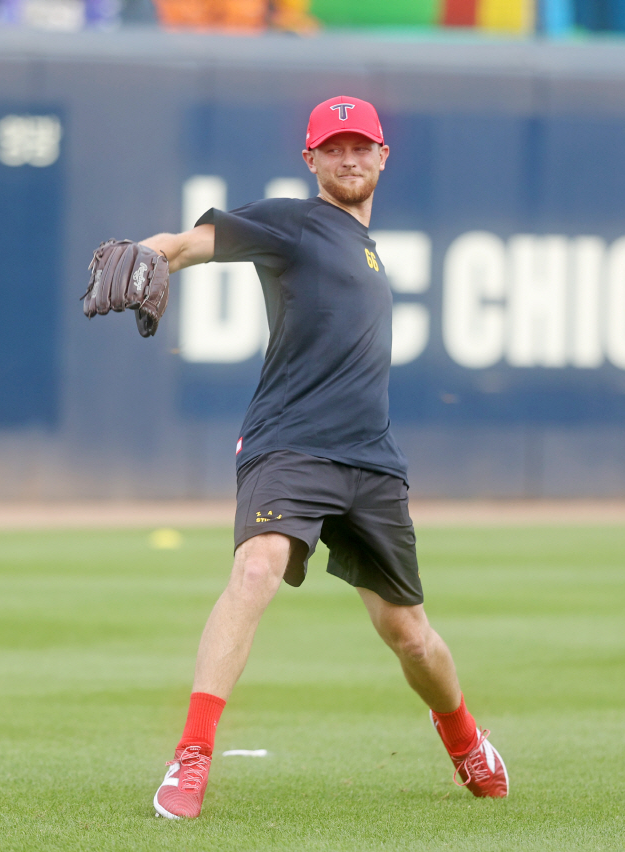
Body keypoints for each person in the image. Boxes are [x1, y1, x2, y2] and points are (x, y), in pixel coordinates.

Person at [140, 96, 509, 820]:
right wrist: (152, 255)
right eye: (333, 147)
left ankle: (465, 737)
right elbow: (187, 244)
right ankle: (191, 756)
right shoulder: (294, 221)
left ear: (382, 157)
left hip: (370, 459)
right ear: (310, 160)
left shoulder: (366, 250)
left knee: (410, 633)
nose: (348, 158)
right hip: (290, 443)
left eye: (360, 146)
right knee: (256, 567)